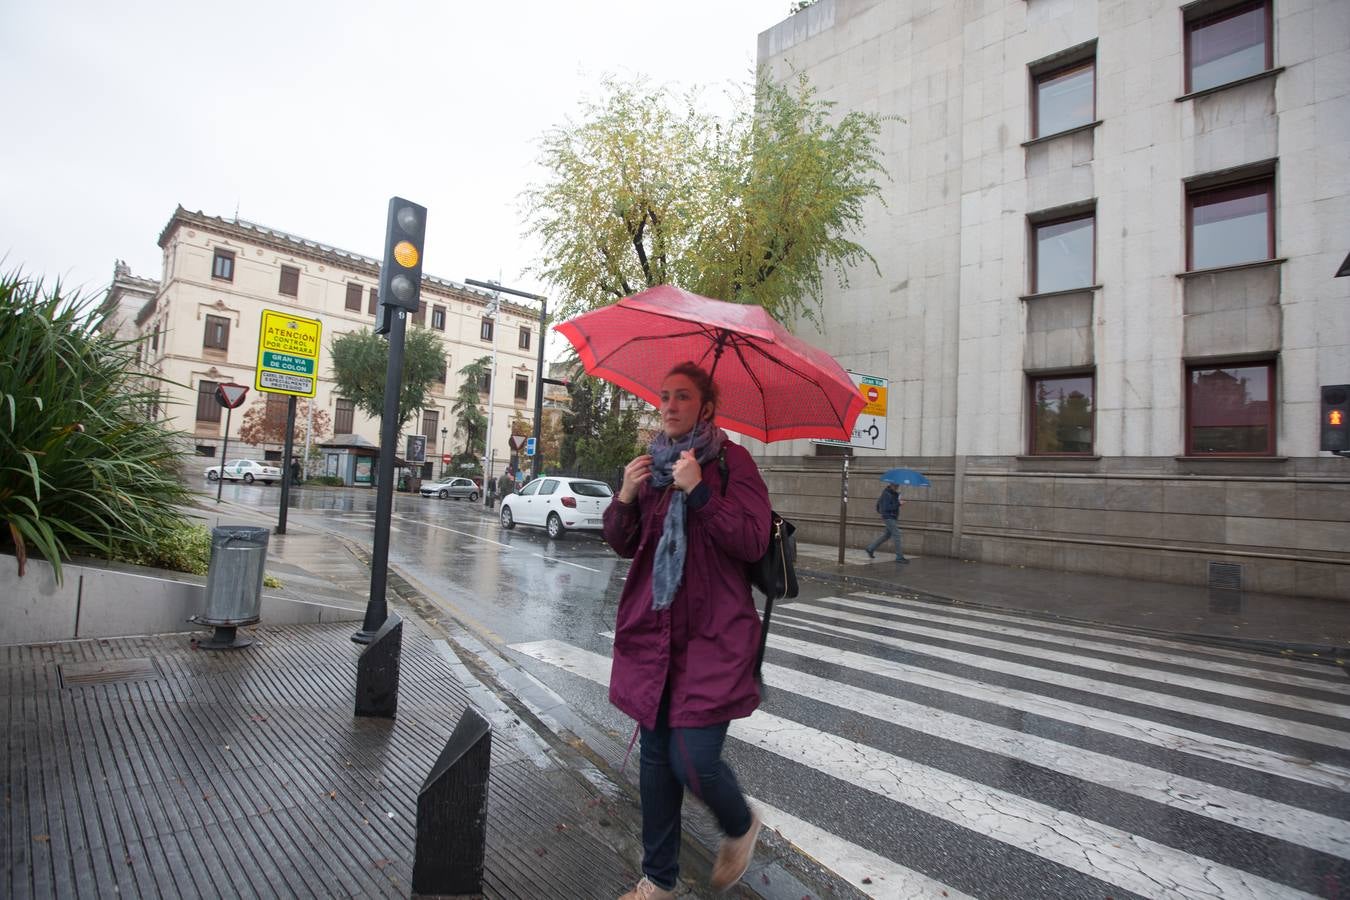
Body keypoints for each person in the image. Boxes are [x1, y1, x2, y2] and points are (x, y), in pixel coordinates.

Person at [603, 361, 770, 900]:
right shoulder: (650, 469)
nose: (670, 405)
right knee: (656, 765)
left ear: (706, 407)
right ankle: (658, 881)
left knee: (691, 758)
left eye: (683, 397)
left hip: (715, 639)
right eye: (665, 396)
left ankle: (740, 823)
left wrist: (699, 492)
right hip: (655, 634)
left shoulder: (732, 464)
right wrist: (624, 498)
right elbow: (628, 546)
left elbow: (751, 542)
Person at [865, 482, 907, 563]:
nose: (897, 487)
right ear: (891, 485)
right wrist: (899, 503)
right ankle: (899, 557)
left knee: (887, 535)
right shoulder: (886, 494)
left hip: (892, 517)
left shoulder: (893, 493)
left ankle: (870, 548)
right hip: (889, 517)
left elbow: (884, 504)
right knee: (897, 534)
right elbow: (887, 507)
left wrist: (898, 499)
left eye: (897, 485)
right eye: (895, 485)